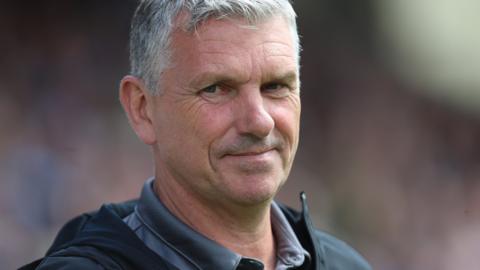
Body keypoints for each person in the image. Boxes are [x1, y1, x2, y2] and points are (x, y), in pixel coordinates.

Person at [21, 0, 372, 269]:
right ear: (142, 108)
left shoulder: (346, 264)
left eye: (276, 86)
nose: (259, 121)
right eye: (217, 88)